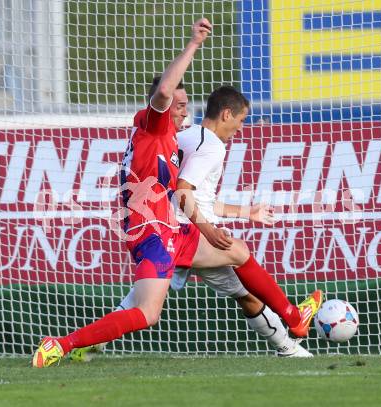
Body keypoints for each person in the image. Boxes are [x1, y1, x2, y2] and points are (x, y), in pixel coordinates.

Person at [32, 22, 321, 368]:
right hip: (154, 233)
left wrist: (237, 215)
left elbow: (182, 192)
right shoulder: (156, 128)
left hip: (172, 228)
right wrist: (194, 43)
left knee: (238, 252)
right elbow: (183, 184)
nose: (186, 110)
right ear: (164, 105)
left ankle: (292, 317)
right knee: (147, 313)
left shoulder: (172, 139)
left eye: (187, 105)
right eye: (180, 105)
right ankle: (62, 344)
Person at [70, 85, 312, 361]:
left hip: (165, 226)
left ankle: (85, 343)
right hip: (187, 232)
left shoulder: (184, 136)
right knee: (248, 287)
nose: (242, 127)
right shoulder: (212, 147)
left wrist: (246, 212)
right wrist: (208, 230)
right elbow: (184, 190)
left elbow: (197, 196)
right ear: (226, 114)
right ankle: (290, 340)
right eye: (241, 119)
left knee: (141, 302)